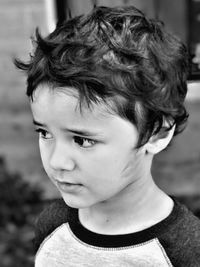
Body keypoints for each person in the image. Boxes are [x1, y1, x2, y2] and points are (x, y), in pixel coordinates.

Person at [15, 5, 200, 267]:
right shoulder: (53, 228)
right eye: (44, 133)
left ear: (158, 132)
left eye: (82, 140)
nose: (57, 162)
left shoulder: (185, 251)